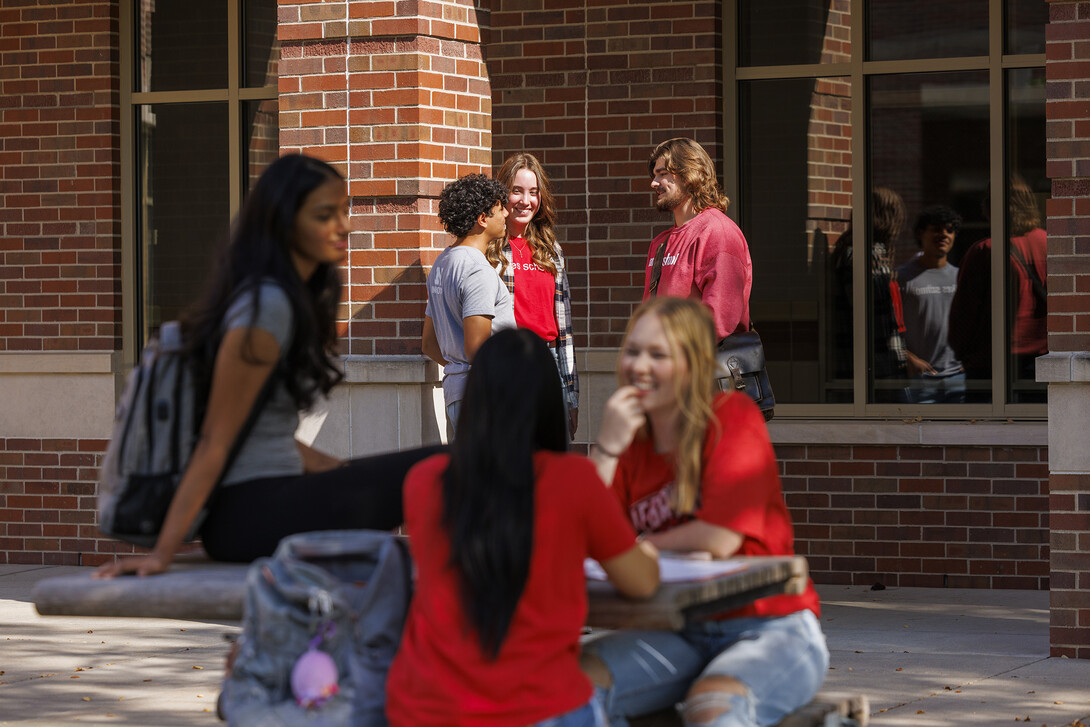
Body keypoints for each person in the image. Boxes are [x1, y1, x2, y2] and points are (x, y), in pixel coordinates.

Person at [95, 154, 442, 577]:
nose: (344, 226)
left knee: (446, 466)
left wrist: (350, 474)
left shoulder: (280, 299)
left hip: (263, 505)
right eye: (324, 215)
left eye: (344, 210)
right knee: (458, 464)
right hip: (251, 515)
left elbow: (265, 437)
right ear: (284, 222)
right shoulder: (267, 307)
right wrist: (162, 554)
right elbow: (214, 442)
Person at [386, 328, 660, 727]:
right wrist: (652, 547)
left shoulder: (424, 481)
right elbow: (642, 582)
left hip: (420, 708)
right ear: (549, 404)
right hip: (540, 708)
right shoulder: (574, 480)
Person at [581, 297, 827, 727]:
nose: (639, 366)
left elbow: (718, 536)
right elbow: (582, 537)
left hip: (769, 627)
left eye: (657, 354)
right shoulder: (630, 443)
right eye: (633, 350)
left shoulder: (731, 417)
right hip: (673, 629)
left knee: (713, 708)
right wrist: (607, 449)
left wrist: (634, 549)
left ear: (692, 366)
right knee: (569, 686)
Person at [488, 152, 580, 438]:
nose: (526, 201)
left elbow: (564, 326)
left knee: (552, 461)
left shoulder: (550, 248)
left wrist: (571, 395)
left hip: (550, 362)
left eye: (533, 192)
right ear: (503, 194)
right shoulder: (489, 249)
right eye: (517, 191)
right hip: (509, 362)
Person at [422, 173, 517, 432]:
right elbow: (478, 348)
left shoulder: (442, 263)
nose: (507, 215)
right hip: (486, 396)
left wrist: (458, 369)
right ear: (482, 219)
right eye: (500, 209)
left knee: (469, 473)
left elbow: (429, 345)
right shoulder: (477, 270)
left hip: (457, 394)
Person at [947, 176, 1048, 402]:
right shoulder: (1049, 243)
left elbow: (964, 314)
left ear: (991, 207)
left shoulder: (984, 251)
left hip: (990, 364)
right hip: (1044, 360)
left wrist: (962, 351)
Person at [642, 137, 752, 341]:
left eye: (663, 174)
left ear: (689, 175)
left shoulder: (718, 232)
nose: (654, 183)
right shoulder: (660, 244)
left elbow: (717, 320)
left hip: (702, 368)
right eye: (655, 175)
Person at [829, 187, 909, 399]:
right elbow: (875, 317)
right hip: (878, 368)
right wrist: (893, 363)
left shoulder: (851, 249)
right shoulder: (868, 253)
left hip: (865, 365)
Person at [896, 205, 965, 403]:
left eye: (949, 230)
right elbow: (888, 328)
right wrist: (909, 359)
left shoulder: (960, 276)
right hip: (920, 378)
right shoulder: (902, 277)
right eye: (936, 229)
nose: (943, 235)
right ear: (921, 233)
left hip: (958, 378)